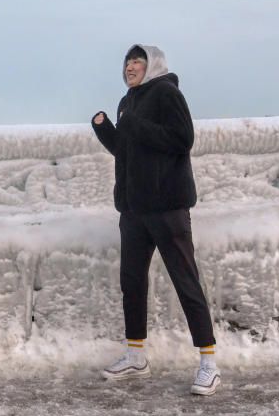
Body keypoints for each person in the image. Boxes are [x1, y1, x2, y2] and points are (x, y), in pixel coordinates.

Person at [91, 44, 220, 396]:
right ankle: (136, 356)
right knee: (131, 282)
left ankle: (209, 362)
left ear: (153, 66)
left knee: (185, 279)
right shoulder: (127, 100)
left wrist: (137, 125)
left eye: (138, 61)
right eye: (128, 62)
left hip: (167, 207)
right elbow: (126, 148)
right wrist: (106, 130)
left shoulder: (166, 92)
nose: (130, 67)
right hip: (133, 210)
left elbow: (183, 139)